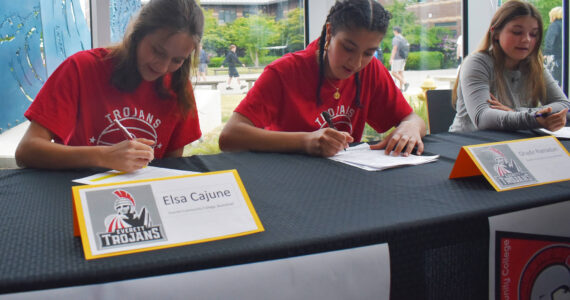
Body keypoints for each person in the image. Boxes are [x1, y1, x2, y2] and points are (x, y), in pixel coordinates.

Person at [15, 0, 204, 173]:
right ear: (137, 34)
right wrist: (103, 156)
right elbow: (27, 150)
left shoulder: (178, 86)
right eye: (157, 51)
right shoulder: (81, 68)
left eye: (177, 60)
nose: (163, 67)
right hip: (79, 191)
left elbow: (171, 167)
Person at [218, 0, 426, 158]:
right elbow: (230, 137)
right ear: (329, 32)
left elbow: (413, 120)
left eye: (368, 53)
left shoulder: (370, 69)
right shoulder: (284, 72)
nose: (356, 63)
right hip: (284, 178)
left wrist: (411, 127)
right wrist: (306, 141)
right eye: (348, 48)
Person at [449, 0, 569, 133]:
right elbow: (483, 118)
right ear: (495, 33)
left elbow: (565, 106)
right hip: (466, 144)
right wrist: (533, 117)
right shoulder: (477, 63)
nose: (526, 40)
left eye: (533, 34)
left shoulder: (534, 65)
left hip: (510, 142)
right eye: (517, 32)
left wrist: (516, 112)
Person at [544, 6, 562, 86]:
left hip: (557, 58)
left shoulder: (554, 26)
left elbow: (549, 41)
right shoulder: (566, 26)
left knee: (555, 82)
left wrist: (546, 54)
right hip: (564, 58)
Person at [389, 26, 409, 92]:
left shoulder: (396, 38)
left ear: (395, 31)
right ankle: (401, 89)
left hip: (397, 58)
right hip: (403, 58)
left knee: (393, 72)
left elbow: (394, 49)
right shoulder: (403, 38)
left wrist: (391, 58)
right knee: (400, 72)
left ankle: (405, 83)